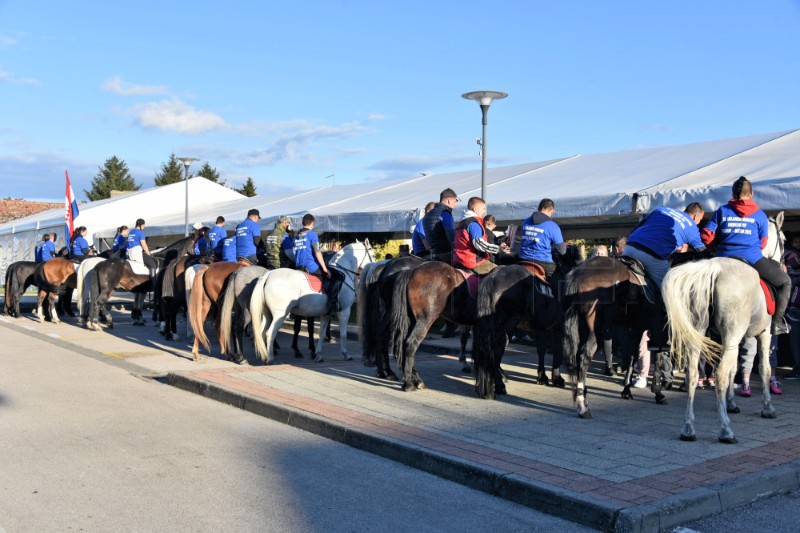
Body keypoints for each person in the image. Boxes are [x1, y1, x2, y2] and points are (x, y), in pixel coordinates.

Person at [701, 176, 792, 335]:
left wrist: (716, 245)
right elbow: (763, 243)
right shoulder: (760, 215)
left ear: (733, 193)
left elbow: (706, 235)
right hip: (752, 259)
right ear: (751, 194)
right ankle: (777, 323)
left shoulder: (722, 210)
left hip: (722, 259)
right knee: (785, 282)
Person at [622, 202, 706, 351]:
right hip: (652, 256)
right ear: (695, 216)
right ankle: (659, 338)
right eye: (699, 221)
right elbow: (702, 252)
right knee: (670, 295)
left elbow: (636, 229)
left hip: (630, 248)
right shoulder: (691, 226)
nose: (698, 225)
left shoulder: (661, 209)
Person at [293, 214, 337, 312]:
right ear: (312, 223)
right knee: (330, 277)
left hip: (298, 266)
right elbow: (317, 252)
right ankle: (330, 305)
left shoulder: (296, 236)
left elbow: (294, 253)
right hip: (310, 266)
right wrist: (325, 269)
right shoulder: (312, 234)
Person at [453, 197, 505, 276]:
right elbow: (478, 244)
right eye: (483, 208)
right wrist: (497, 249)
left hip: (459, 259)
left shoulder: (462, 222)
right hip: (472, 261)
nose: (484, 211)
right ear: (475, 208)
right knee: (502, 274)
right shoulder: (473, 223)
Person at [518, 198, 566, 277]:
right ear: (552, 210)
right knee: (560, 276)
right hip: (543, 262)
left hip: (523, 260)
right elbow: (562, 251)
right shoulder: (552, 226)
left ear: (538, 208)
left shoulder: (525, 222)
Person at [422, 189, 459, 263]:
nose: (456, 204)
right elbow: (451, 236)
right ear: (449, 201)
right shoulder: (445, 214)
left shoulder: (427, 215)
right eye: (455, 201)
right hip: (445, 254)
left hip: (433, 253)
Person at [784, 233, 800, 379]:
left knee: (795, 340)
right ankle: (797, 367)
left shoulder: (792, 255)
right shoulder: (793, 256)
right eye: (796, 241)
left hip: (795, 306)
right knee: (794, 339)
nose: (798, 244)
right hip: (794, 307)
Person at [127, 218, 157, 286]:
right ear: (141, 225)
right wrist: (148, 253)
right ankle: (153, 286)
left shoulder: (131, 232)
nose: (143, 227)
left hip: (130, 253)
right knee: (153, 264)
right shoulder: (140, 232)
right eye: (143, 226)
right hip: (137, 253)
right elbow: (144, 245)